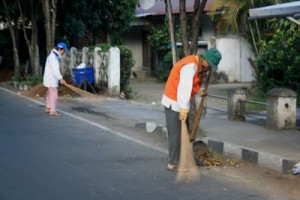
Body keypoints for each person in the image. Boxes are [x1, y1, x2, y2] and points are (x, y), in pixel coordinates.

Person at [161, 48, 222, 171]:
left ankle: (186, 159)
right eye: (209, 65)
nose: (209, 68)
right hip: (174, 102)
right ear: (204, 60)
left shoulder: (197, 66)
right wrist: (183, 109)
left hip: (181, 103)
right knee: (176, 135)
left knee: (184, 133)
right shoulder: (190, 66)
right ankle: (173, 163)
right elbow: (184, 88)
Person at [43, 42, 67, 116]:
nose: (64, 52)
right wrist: (61, 79)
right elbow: (55, 70)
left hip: (49, 78)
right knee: (54, 95)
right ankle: (52, 110)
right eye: (64, 51)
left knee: (49, 93)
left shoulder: (52, 56)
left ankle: (48, 108)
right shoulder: (54, 58)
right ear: (62, 50)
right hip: (51, 79)